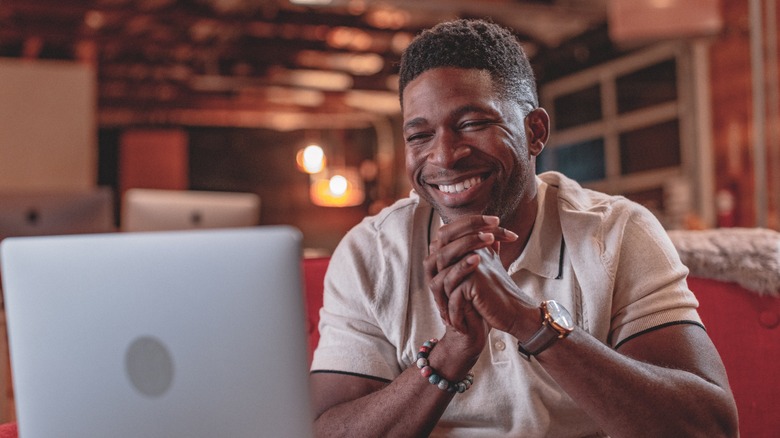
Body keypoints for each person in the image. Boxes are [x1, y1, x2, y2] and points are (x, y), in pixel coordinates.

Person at [309, 18, 738, 437]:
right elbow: (326, 429)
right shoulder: (372, 251)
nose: (443, 156)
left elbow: (710, 428)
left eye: (473, 124)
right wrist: (454, 348)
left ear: (535, 131)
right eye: (419, 136)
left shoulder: (617, 232)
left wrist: (529, 321)